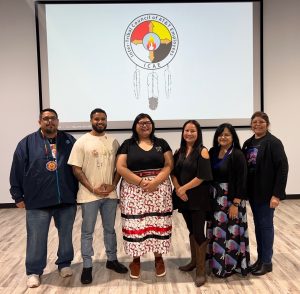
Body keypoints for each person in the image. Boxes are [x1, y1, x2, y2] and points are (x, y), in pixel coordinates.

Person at [9, 108, 78, 288]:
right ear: (39, 121)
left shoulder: (69, 140)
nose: (50, 122)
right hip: (37, 201)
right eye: (45, 119)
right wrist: (17, 195)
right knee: (36, 238)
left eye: (52, 118)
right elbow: (16, 169)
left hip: (65, 199)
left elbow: (78, 168)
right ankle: (34, 271)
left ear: (58, 121)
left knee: (66, 236)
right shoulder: (27, 143)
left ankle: (64, 264)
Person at [68, 108, 128, 284]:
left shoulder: (114, 142)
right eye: (96, 119)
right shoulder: (81, 142)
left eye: (103, 119)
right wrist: (92, 188)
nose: (100, 122)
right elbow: (76, 169)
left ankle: (112, 260)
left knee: (110, 230)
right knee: (87, 232)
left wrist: (113, 185)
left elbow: (119, 168)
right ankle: (87, 266)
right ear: (91, 120)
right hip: (89, 196)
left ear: (106, 120)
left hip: (110, 195)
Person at [116, 113, 173, 279]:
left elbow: (169, 165)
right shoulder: (128, 144)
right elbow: (121, 167)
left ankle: (158, 258)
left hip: (159, 189)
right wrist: (140, 182)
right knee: (136, 226)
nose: (145, 125)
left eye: (148, 122)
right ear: (135, 126)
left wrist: (155, 182)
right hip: (134, 191)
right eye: (141, 123)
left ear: (152, 125)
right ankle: (136, 260)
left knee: (158, 223)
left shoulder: (161, 143)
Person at [242, 111, 288, 276]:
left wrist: (277, 194)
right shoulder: (248, 143)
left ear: (267, 124)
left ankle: (267, 262)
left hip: (267, 194)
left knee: (266, 226)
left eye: (261, 122)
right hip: (253, 193)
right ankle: (260, 259)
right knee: (259, 227)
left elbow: (282, 169)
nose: (257, 125)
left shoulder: (273, 143)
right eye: (254, 122)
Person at [171, 120, 213, 287]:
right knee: (191, 230)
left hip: (198, 199)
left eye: (192, 131)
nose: (189, 134)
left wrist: (183, 189)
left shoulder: (202, 152)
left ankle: (201, 271)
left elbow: (202, 176)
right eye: (186, 130)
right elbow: (173, 173)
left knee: (199, 232)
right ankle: (194, 262)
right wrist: (178, 188)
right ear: (183, 133)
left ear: (198, 133)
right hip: (184, 199)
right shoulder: (179, 151)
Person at [206, 123, 250, 278]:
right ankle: (216, 265)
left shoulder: (237, 154)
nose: (223, 137)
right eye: (220, 134)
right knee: (217, 235)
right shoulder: (213, 152)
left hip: (232, 199)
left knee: (231, 234)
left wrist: (235, 203)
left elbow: (242, 180)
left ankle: (230, 266)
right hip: (215, 198)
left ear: (233, 137)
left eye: (227, 134)